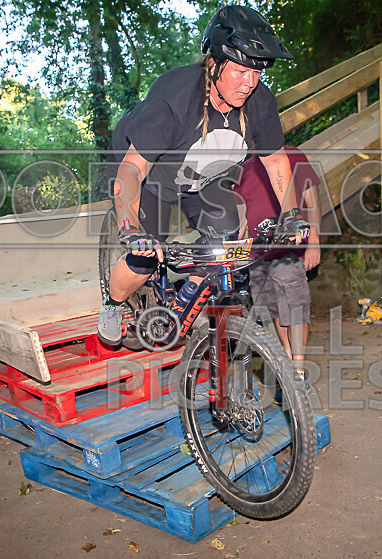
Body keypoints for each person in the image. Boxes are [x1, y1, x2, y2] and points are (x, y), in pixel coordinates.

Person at [98, 5, 310, 346]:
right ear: (214, 64)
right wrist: (131, 228)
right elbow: (132, 169)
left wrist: (292, 214)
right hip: (148, 172)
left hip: (202, 177)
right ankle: (113, 303)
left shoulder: (261, 103)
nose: (249, 84)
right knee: (143, 257)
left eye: (257, 73)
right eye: (241, 72)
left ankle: (184, 302)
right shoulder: (176, 98)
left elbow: (276, 162)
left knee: (226, 244)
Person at [233, 146, 320, 380]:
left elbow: (311, 201)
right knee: (274, 311)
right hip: (257, 255)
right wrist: (235, 252)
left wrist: (314, 241)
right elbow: (242, 221)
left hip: (288, 250)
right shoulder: (243, 170)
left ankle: (298, 370)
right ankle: (288, 363)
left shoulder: (292, 156)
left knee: (295, 308)